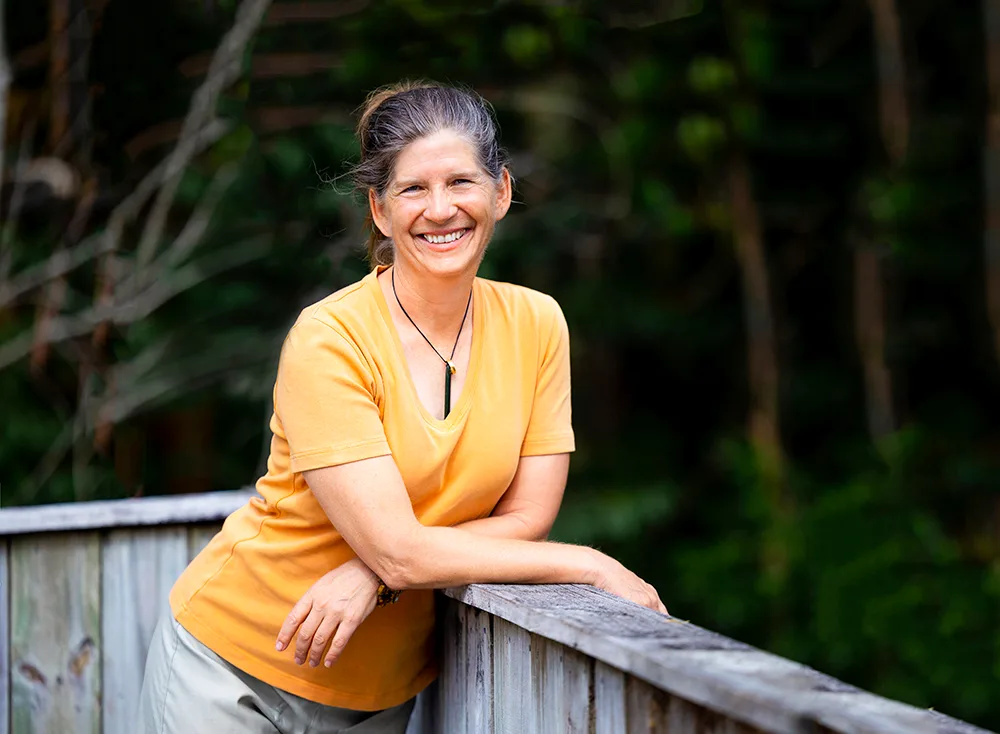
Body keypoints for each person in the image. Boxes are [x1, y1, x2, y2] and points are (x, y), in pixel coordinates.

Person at [136, 81, 666, 734]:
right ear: (380, 210)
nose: (441, 209)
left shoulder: (537, 324)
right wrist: (584, 562)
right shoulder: (331, 338)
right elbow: (400, 552)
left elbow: (526, 515)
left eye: (461, 183)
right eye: (413, 188)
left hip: (381, 697)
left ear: (500, 191)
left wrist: (375, 571)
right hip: (231, 672)